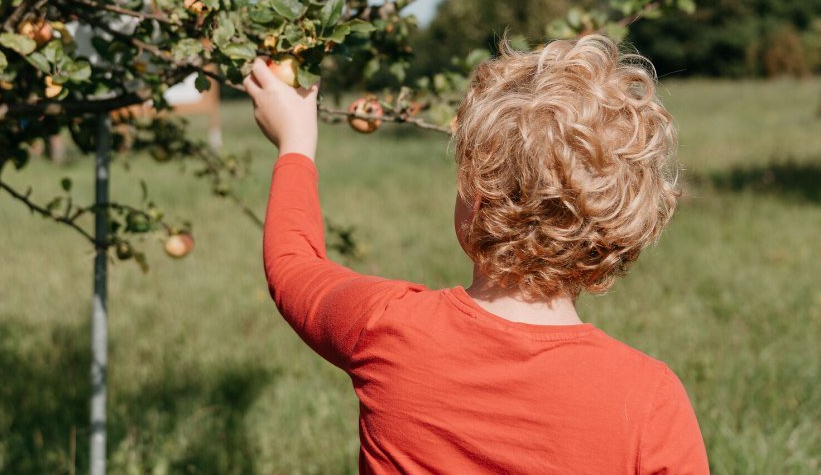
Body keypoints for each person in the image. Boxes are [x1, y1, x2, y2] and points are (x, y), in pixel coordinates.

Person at [243, 34, 710, 474]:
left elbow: (292, 265)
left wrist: (295, 143)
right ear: (622, 225)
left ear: (478, 197)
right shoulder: (651, 401)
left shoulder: (386, 330)